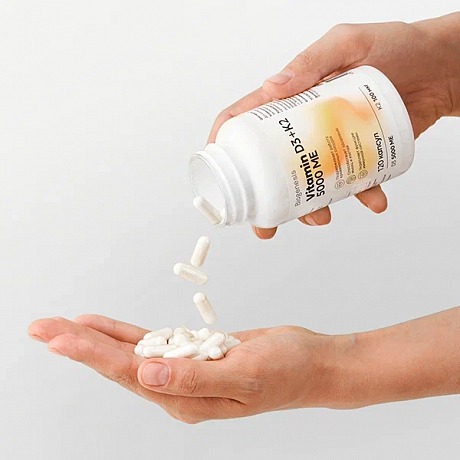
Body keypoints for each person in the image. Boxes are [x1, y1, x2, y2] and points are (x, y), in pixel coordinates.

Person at [29, 13, 460, 424]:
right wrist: (437, 63)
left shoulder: (244, 146)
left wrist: (325, 370)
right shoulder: (244, 143)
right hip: (381, 105)